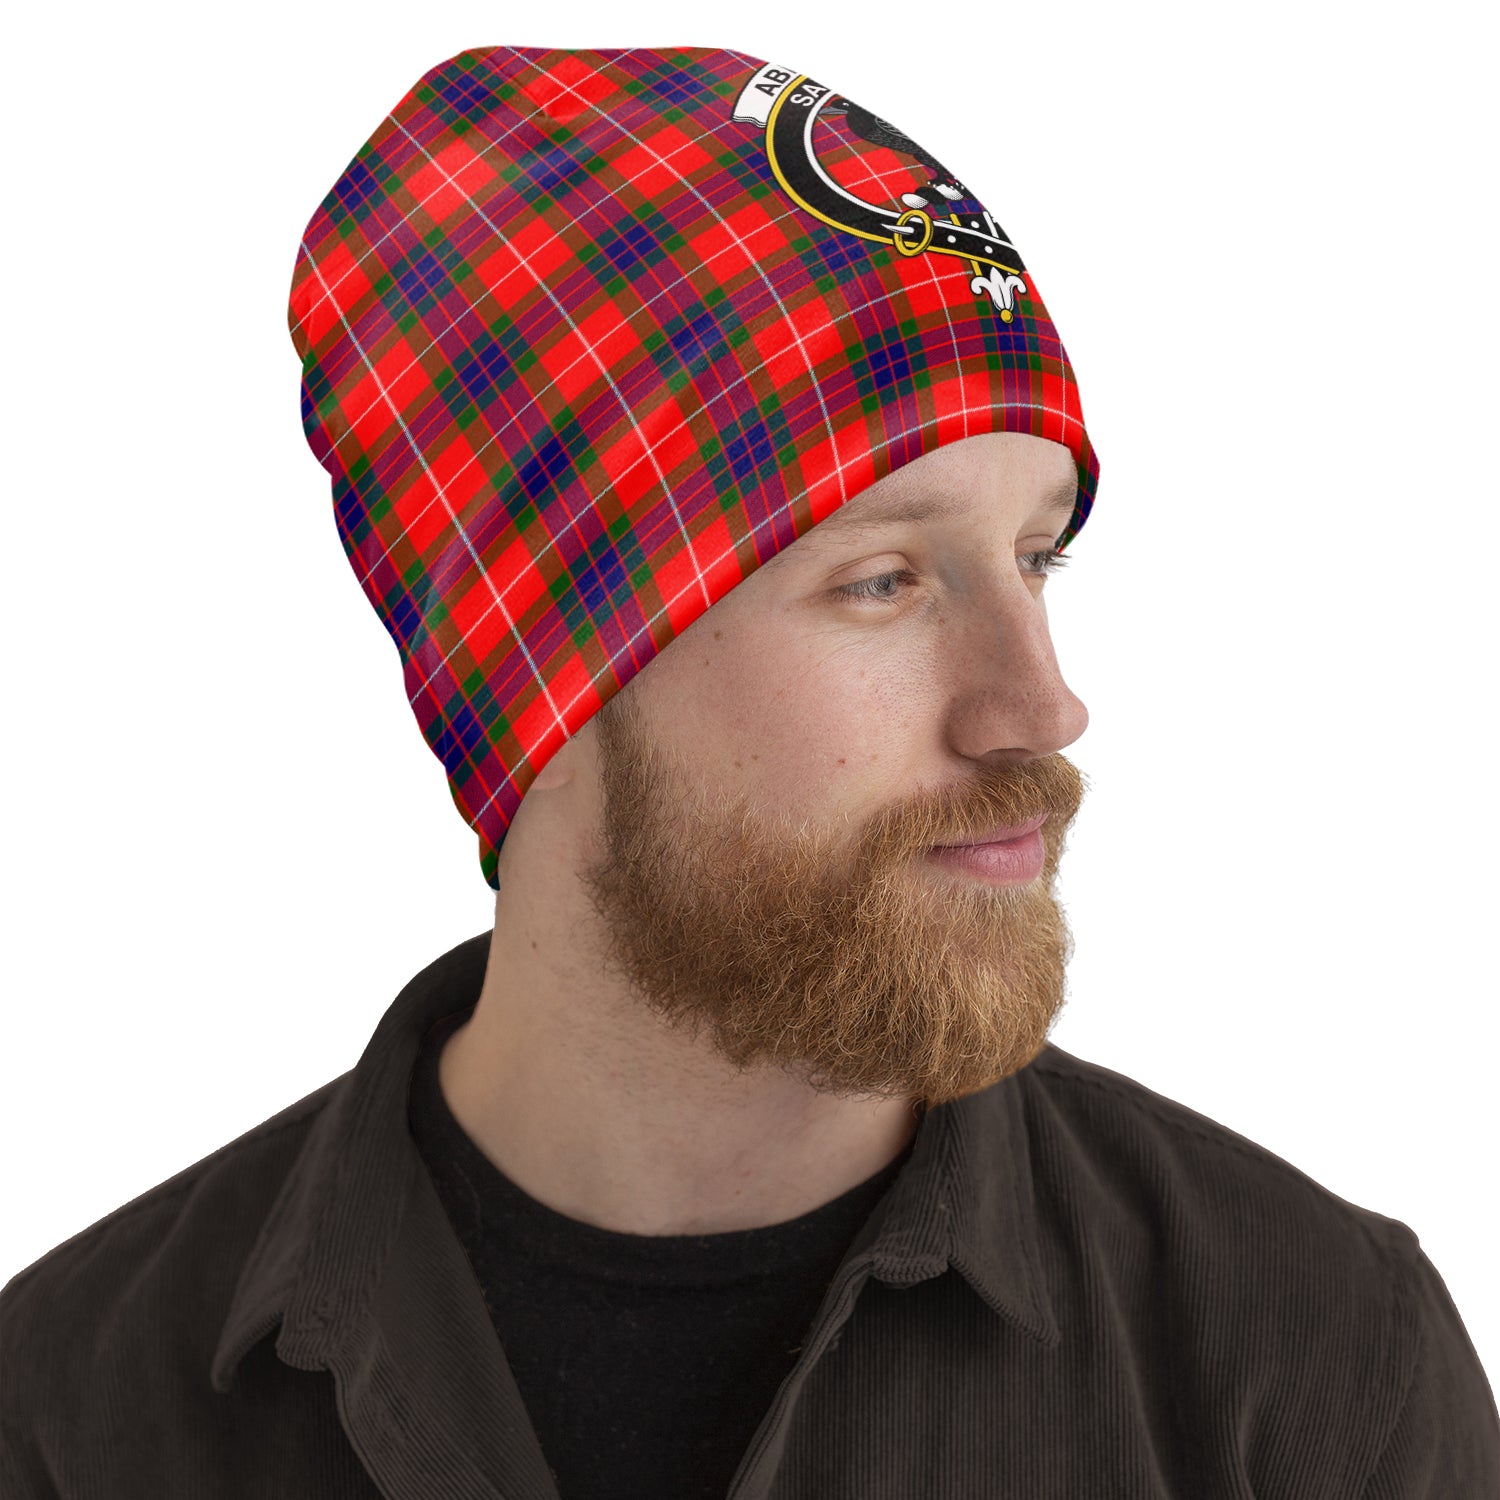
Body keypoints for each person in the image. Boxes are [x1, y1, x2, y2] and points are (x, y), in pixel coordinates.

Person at [2, 43, 1495, 1500]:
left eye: (1037, 555)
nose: (1041, 707)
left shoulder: (1316, 1374)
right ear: (544, 683)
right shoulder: (74, 1415)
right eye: (883, 581)